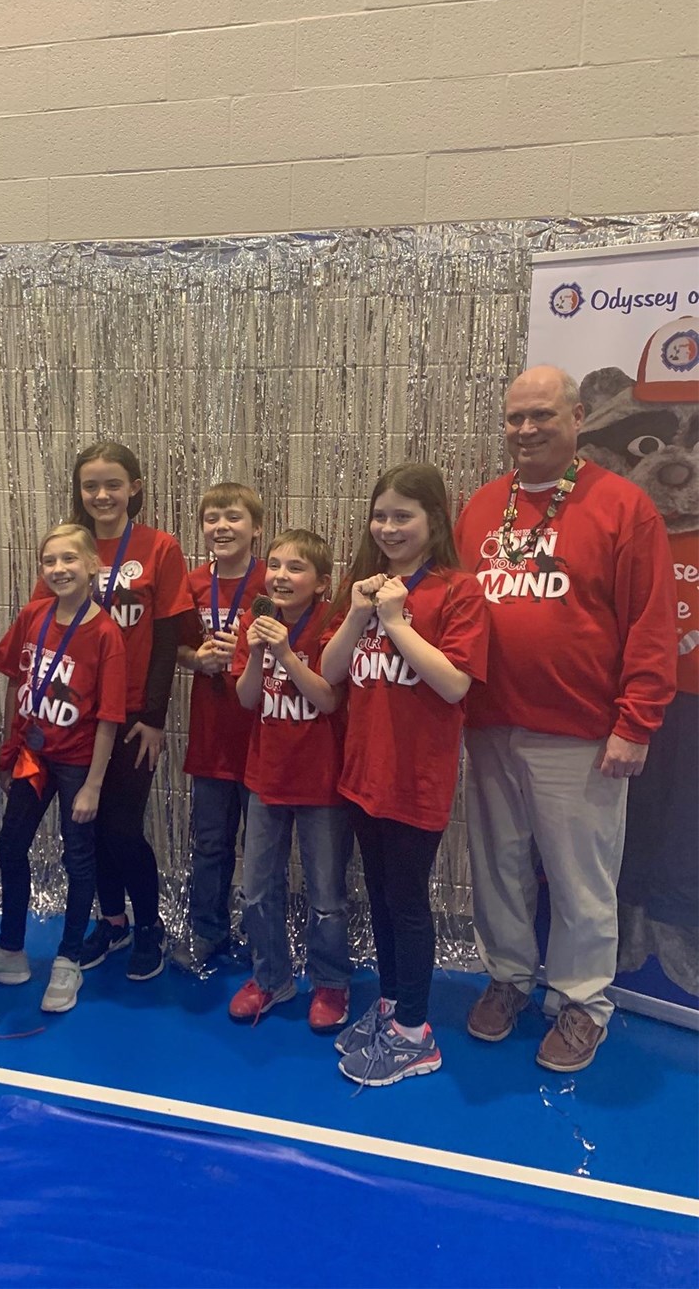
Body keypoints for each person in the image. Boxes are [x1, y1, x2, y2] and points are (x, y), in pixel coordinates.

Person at [455, 365, 677, 1072]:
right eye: (515, 417)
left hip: (580, 731)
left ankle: (583, 1002)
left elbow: (651, 623)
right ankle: (508, 977)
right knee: (499, 865)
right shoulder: (482, 506)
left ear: (578, 418)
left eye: (542, 415)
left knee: (582, 878)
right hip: (490, 723)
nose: (526, 429)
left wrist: (636, 721)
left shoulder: (623, 506)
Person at [322, 464, 489, 1087]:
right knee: (382, 898)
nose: (388, 528)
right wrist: (359, 614)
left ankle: (416, 1034)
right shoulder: (365, 588)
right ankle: (393, 1005)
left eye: (403, 516)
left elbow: (454, 684)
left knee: (409, 903)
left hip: (415, 779)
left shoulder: (458, 591)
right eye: (380, 515)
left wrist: (395, 622)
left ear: (434, 520)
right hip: (363, 774)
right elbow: (331, 673)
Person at [59, 442, 194, 983]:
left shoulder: (159, 547)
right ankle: (112, 922)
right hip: (80, 712)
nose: (101, 495)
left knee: (121, 828)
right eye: (90, 485)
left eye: (113, 484)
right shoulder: (69, 545)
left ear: (134, 488)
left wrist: (155, 717)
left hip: (135, 711)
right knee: (89, 828)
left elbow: (167, 638)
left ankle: (148, 927)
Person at [0, 523, 126, 1013]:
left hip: (76, 763)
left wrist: (93, 785)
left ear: (92, 566)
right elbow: (15, 681)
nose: (58, 569)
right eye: (49, 561)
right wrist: (9, 749)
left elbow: (109, 717)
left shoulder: (106, 633)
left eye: (69, 559)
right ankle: (11, 949)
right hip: (33, 756)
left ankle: (68, 959)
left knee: (79, 858)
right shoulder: (34, 614)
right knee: (10, 846)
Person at [229, 529, 352, 1030]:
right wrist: (260, 652)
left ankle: (331, 982)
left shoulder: (333, 622)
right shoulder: (256, 621)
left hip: (322, 782)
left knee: (326, 896)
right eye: (275, 565)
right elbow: (246, 699)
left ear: (321, 583)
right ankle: (271, 977)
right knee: (257, 889)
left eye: (295, 568)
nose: (280, 576)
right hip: (266, 776)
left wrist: (285, 654)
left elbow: (329, 699)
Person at [174, 482, 266, 972]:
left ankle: (264, 940)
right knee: (210, 844)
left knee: (263, 850)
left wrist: (250, 655)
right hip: (211, 738)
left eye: (233, 517)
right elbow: (173, 646)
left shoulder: (273, 581)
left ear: (256, 527)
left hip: (262, 737)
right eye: (212, 518)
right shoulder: (190, 583)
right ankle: (207, 931)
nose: (222, 527)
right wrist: (197, 659)